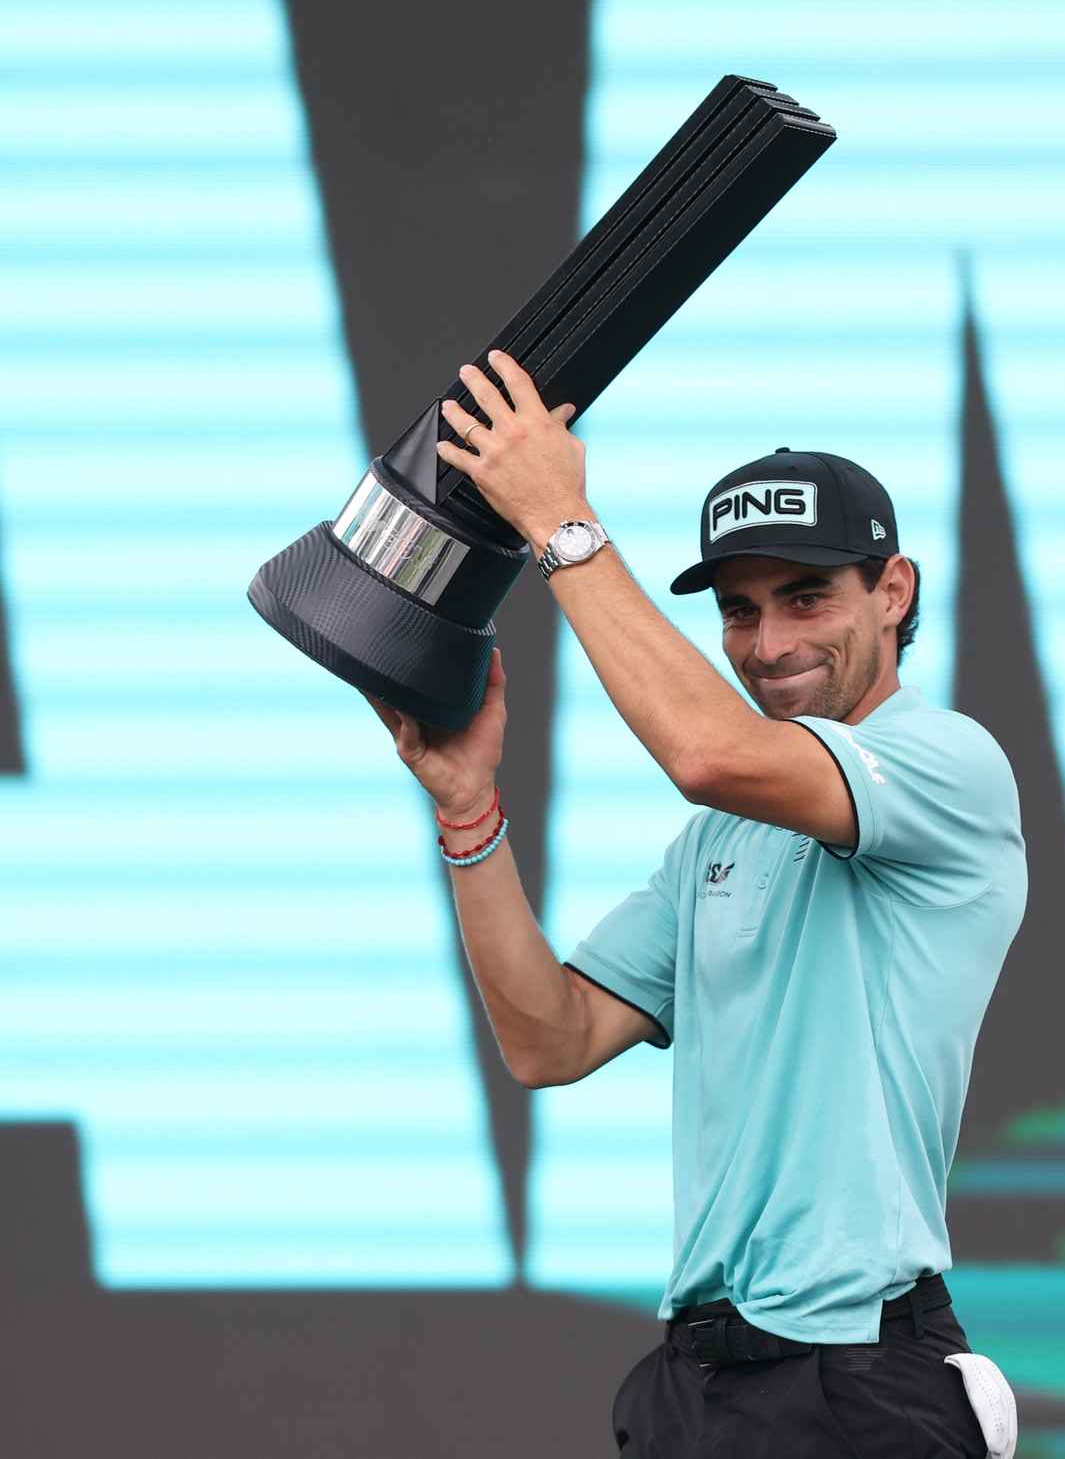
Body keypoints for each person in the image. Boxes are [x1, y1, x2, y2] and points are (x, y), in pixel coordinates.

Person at [365, 351, 1025, 1457]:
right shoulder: (721, 835)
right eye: (739, 611)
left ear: (893, 592)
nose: (770, 646)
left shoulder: (949, 763)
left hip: (857, 1373)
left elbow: (706, 752)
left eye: (806, 597)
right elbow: (550, 1038)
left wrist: (560, 521)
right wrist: (470, 811)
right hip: (699, 1381)